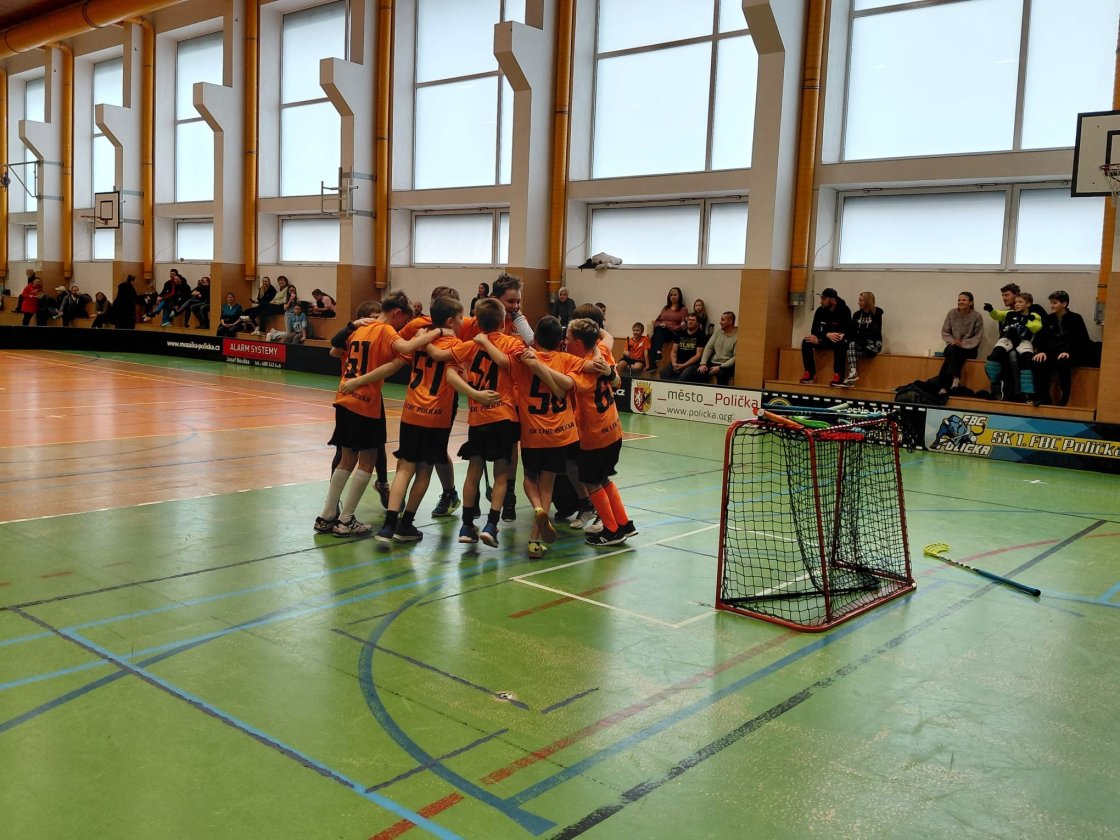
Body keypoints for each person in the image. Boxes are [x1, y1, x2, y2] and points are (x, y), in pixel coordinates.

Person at [314, 291, 441, 537]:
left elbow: (336, 349)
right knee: (368, 460)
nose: (403, 325)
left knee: (346, 459)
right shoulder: (385, 330)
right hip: (364, 402)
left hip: (345, 397)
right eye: (404, 320)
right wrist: (432, 334)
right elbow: (405, 347)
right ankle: (346, 520)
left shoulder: (361, 328)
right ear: (397, 313)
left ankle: (326, 516)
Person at [374, 296, 500, 544]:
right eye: (462, 318)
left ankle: (388, 525)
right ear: (451, 321)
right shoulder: (455, 345)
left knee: (404, 467)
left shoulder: (421, 339)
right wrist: (476, 393)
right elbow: (457, 376)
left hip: (411, 410)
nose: (464, 322)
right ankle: (406, 524)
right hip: (436, 417)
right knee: (424, 471)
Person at [442, 298, 523, 545]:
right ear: (503, 321)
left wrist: (473, 394)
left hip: (478, 417)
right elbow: (509, 364)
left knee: (473, 472)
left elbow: (449, 372)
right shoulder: (511, 343)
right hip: (504, 415)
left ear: (477, 322)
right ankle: (491, 524)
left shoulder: (471, 345)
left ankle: (467, 526)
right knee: (501, 475)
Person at [503, 315, 584, 559]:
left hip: (533, 433)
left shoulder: (523, 359)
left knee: (530, 479)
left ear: (535, 337)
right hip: (560, 434)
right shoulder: (567, 360)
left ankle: (537, 508)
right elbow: (588, 368)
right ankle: (534, 541)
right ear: (560, 341)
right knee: (547, 485)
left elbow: (501, 358)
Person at [564, 317, 636, 546]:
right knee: (603, 479)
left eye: (568, 338)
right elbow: (607, 338)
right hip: (613, 431)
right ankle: (624, 523)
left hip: (594, 437)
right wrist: (594, 326)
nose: (564, 341)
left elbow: (562, 383)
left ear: (577, 343)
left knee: (591, 482)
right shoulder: (602, 352)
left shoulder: (580, 370)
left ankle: (612, 530)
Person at [1031, 290, 1090, 406]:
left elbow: (1083, 339)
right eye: (1051, 303)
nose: (1051, 306)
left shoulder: (1076, 318)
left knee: (1063, 362)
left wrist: (1069, 352)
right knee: (1038, 362)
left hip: (1071, 352)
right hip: (1052, 351)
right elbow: (1041, 337)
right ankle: (1044, 397)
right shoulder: (1048, 319)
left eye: (1055, 303)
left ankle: (1065, 397)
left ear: (1064, 304)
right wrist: (1042, 351)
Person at [983, 292, 1042, 401]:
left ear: (1028, 304)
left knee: (1027, 361)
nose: (1017, 304)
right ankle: (995, 384)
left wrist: (1026, 321)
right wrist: (991, 310)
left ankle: (1028, 393)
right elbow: (998, 315)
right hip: (1007, 339)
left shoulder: (1034, 315)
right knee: (995, 355)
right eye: (1016, 302)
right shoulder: (1010, 313)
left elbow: (1037, 327)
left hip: (1024, 341)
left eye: (1020, 302)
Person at [800, 287, 851, 386]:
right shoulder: (820, 310)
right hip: (823, 339)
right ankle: (809, 373)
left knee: (841, 342)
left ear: (832, 300)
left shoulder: (844, 310)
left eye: (824, 299)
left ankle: (839, 375)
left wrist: (832, 335)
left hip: (837, 340)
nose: (821, 302)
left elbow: (846, 331)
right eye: (821, 299)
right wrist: (825, 335)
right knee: (806, 341)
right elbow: (814, 330)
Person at [937, 291, 984, 394]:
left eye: (964, 300)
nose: (960, 302)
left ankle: (943, 386)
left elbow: (977, 336)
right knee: (953, 350)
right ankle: (956, 378)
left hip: (970, 349)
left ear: (970, 302)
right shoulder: (952, 313)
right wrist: (953, 341)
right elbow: (945, 332)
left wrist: (962, 343)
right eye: (959, 300)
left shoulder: (977, 316)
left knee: (954, 352)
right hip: (953, 345)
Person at [841, 291, 882, 386]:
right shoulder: (857, 315)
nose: (858, 302)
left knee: (852, 348)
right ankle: (852, 373)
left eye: (861, 300)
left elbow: (874, 331)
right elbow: (852, 331)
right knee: (848, 347)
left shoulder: (877, 313)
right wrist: (845, 336)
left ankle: (852, 375)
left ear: (867, 302)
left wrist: (860, 337)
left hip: (872, 346)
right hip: (860, 345)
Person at [691, 311, 738, 385]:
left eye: (723, 320)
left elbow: (736, 357)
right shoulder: (718, 331)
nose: (720, 322)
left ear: (730, 322)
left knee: (721, 374)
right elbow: (708, 348)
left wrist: (720, 367)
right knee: (698, 372)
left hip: (726, 366)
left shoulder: (738, 335)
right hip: (714, 362)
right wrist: (703, 363)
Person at [659, 313, 708, 381]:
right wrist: (674, 363)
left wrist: (684, 365)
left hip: (693, 364)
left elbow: (698, 355)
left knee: (685, 374)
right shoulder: (680, 333)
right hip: (678, 362)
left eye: (693, 320)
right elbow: (674, 351)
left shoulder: (701, 335)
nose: (690, 322)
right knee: (664, 373)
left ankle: (677, 386)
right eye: (689, 320)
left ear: (698, 323)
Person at [650, 287, 688, 367]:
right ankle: (658, 354)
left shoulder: (683, 309)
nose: (673, 297)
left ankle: (653, 363)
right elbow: (657, 321)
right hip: (662, 332)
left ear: (679, 296)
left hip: (674, 333)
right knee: (656, 332)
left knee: (655, 336)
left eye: (675, 295)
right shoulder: (665, 308)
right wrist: (660, 324)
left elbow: (683, 327)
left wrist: (667, 326)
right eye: (671, 295)